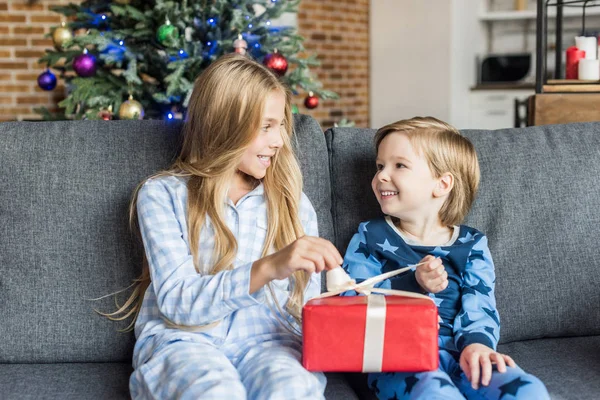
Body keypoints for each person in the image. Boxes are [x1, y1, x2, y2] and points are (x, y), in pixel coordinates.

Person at [109, 54, 343, 399]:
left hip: (270, 343)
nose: (278, 140)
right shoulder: (161, 196)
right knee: (214, 392)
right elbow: (177, 302)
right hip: (184, 341)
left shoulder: (292, 203)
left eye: (280, 126)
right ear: (224, 126)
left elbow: (303, 312)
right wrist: (269, 267)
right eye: (265, 126)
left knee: (292, 389)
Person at [342, 117, 549, 399]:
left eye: (399, 165)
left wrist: (477, 345)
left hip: (463, 355)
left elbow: (480, 304)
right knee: (435, 393)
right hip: (398, 358)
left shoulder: (471, 245)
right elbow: (351, 303)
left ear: (442, 184)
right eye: (380, 166)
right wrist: (411, 284)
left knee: (528, 390)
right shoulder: (371, 236)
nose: (381, 176)